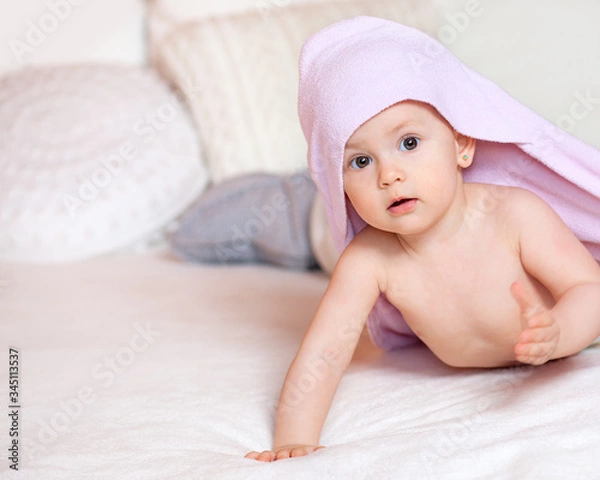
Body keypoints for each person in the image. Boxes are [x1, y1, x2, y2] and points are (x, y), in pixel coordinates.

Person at [245, 16, 600, 462]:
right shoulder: (370, 258)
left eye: (409, 142)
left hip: (567, 332)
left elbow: (589, 290)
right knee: (308, 236)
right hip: (332, 223)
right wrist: (292, 441)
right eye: (359, 162)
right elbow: (324, 353)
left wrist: (562, 332)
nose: (389, 174)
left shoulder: (514, 214)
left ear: (462, 145)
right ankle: (275, 206)